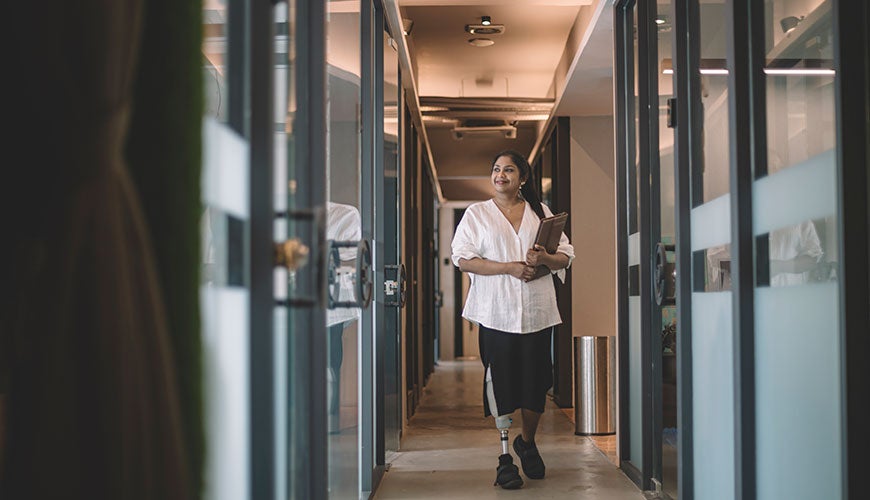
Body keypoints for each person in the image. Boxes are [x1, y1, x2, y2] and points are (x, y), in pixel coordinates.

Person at [451, 150, 574, 489]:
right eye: (495, 169)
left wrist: (544, 257)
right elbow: (463, 260)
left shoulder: (541, 213)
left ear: (522, 178)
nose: (500, 175)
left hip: (537, 312)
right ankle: (505, 457)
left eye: (508, 170)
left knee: (536, 386)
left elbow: (565, 256)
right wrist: (509, 267)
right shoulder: (477, 214)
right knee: (501, 386)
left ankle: (527, 442)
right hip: (496, 313)